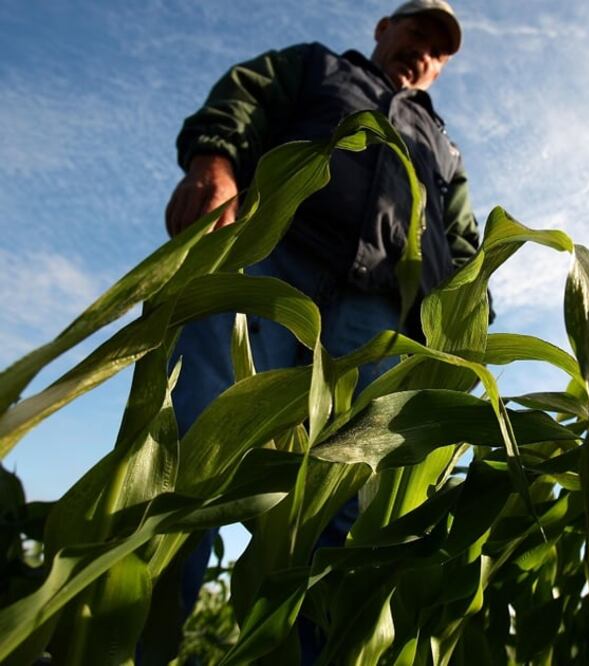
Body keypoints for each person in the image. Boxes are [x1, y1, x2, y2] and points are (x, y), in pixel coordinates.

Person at [161, 0, 480, 657]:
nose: (421, 52)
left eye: (436, 51)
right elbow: (243, 99)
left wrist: (463, 327)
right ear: (383, 30)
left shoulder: (443, 147)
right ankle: (141, 639)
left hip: (380, 318)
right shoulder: (316, 67)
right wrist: (215, 160)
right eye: (415, 32)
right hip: (271, 257)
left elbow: (465, 245)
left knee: (345, 499)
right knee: (195, 448)